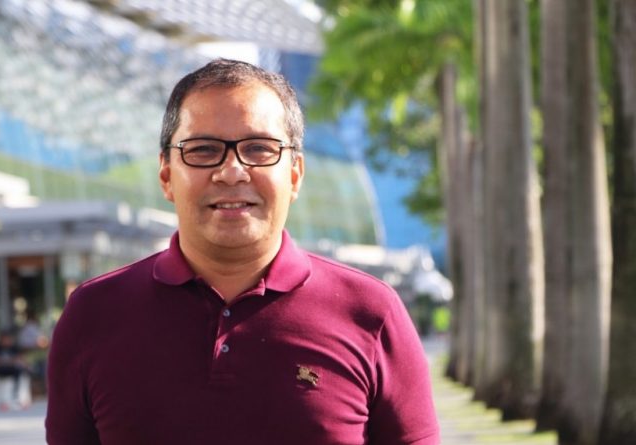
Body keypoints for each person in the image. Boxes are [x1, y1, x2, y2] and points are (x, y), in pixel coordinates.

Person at [46, 59, 439, 444]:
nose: (232, 171)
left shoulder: (372, 313)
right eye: (203, 149)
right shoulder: (93, 314)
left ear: (295, 174)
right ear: (166, 176)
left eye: (259, 148)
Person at [0, 329, 30, 410]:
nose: (5, 341)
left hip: (11, 369)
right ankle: (2, 400)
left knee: (19, 371)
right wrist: (2, 362)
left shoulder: (14, 348)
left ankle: (16, 396)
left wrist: (11, 362)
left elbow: (20, 360)